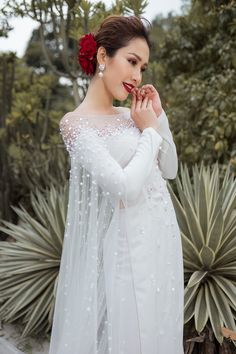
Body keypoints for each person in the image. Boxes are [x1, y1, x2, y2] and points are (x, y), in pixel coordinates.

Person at [48, 15, 184, 354]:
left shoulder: (132, 116)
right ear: (103, 56)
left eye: (143, 68)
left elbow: (169, 169)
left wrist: (158, 116)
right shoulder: (76, 125)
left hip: (162, 246)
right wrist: (150, 132)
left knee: (159, 335)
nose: (137, 76)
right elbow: (124, 186)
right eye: (132, 61)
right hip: (127, 251)